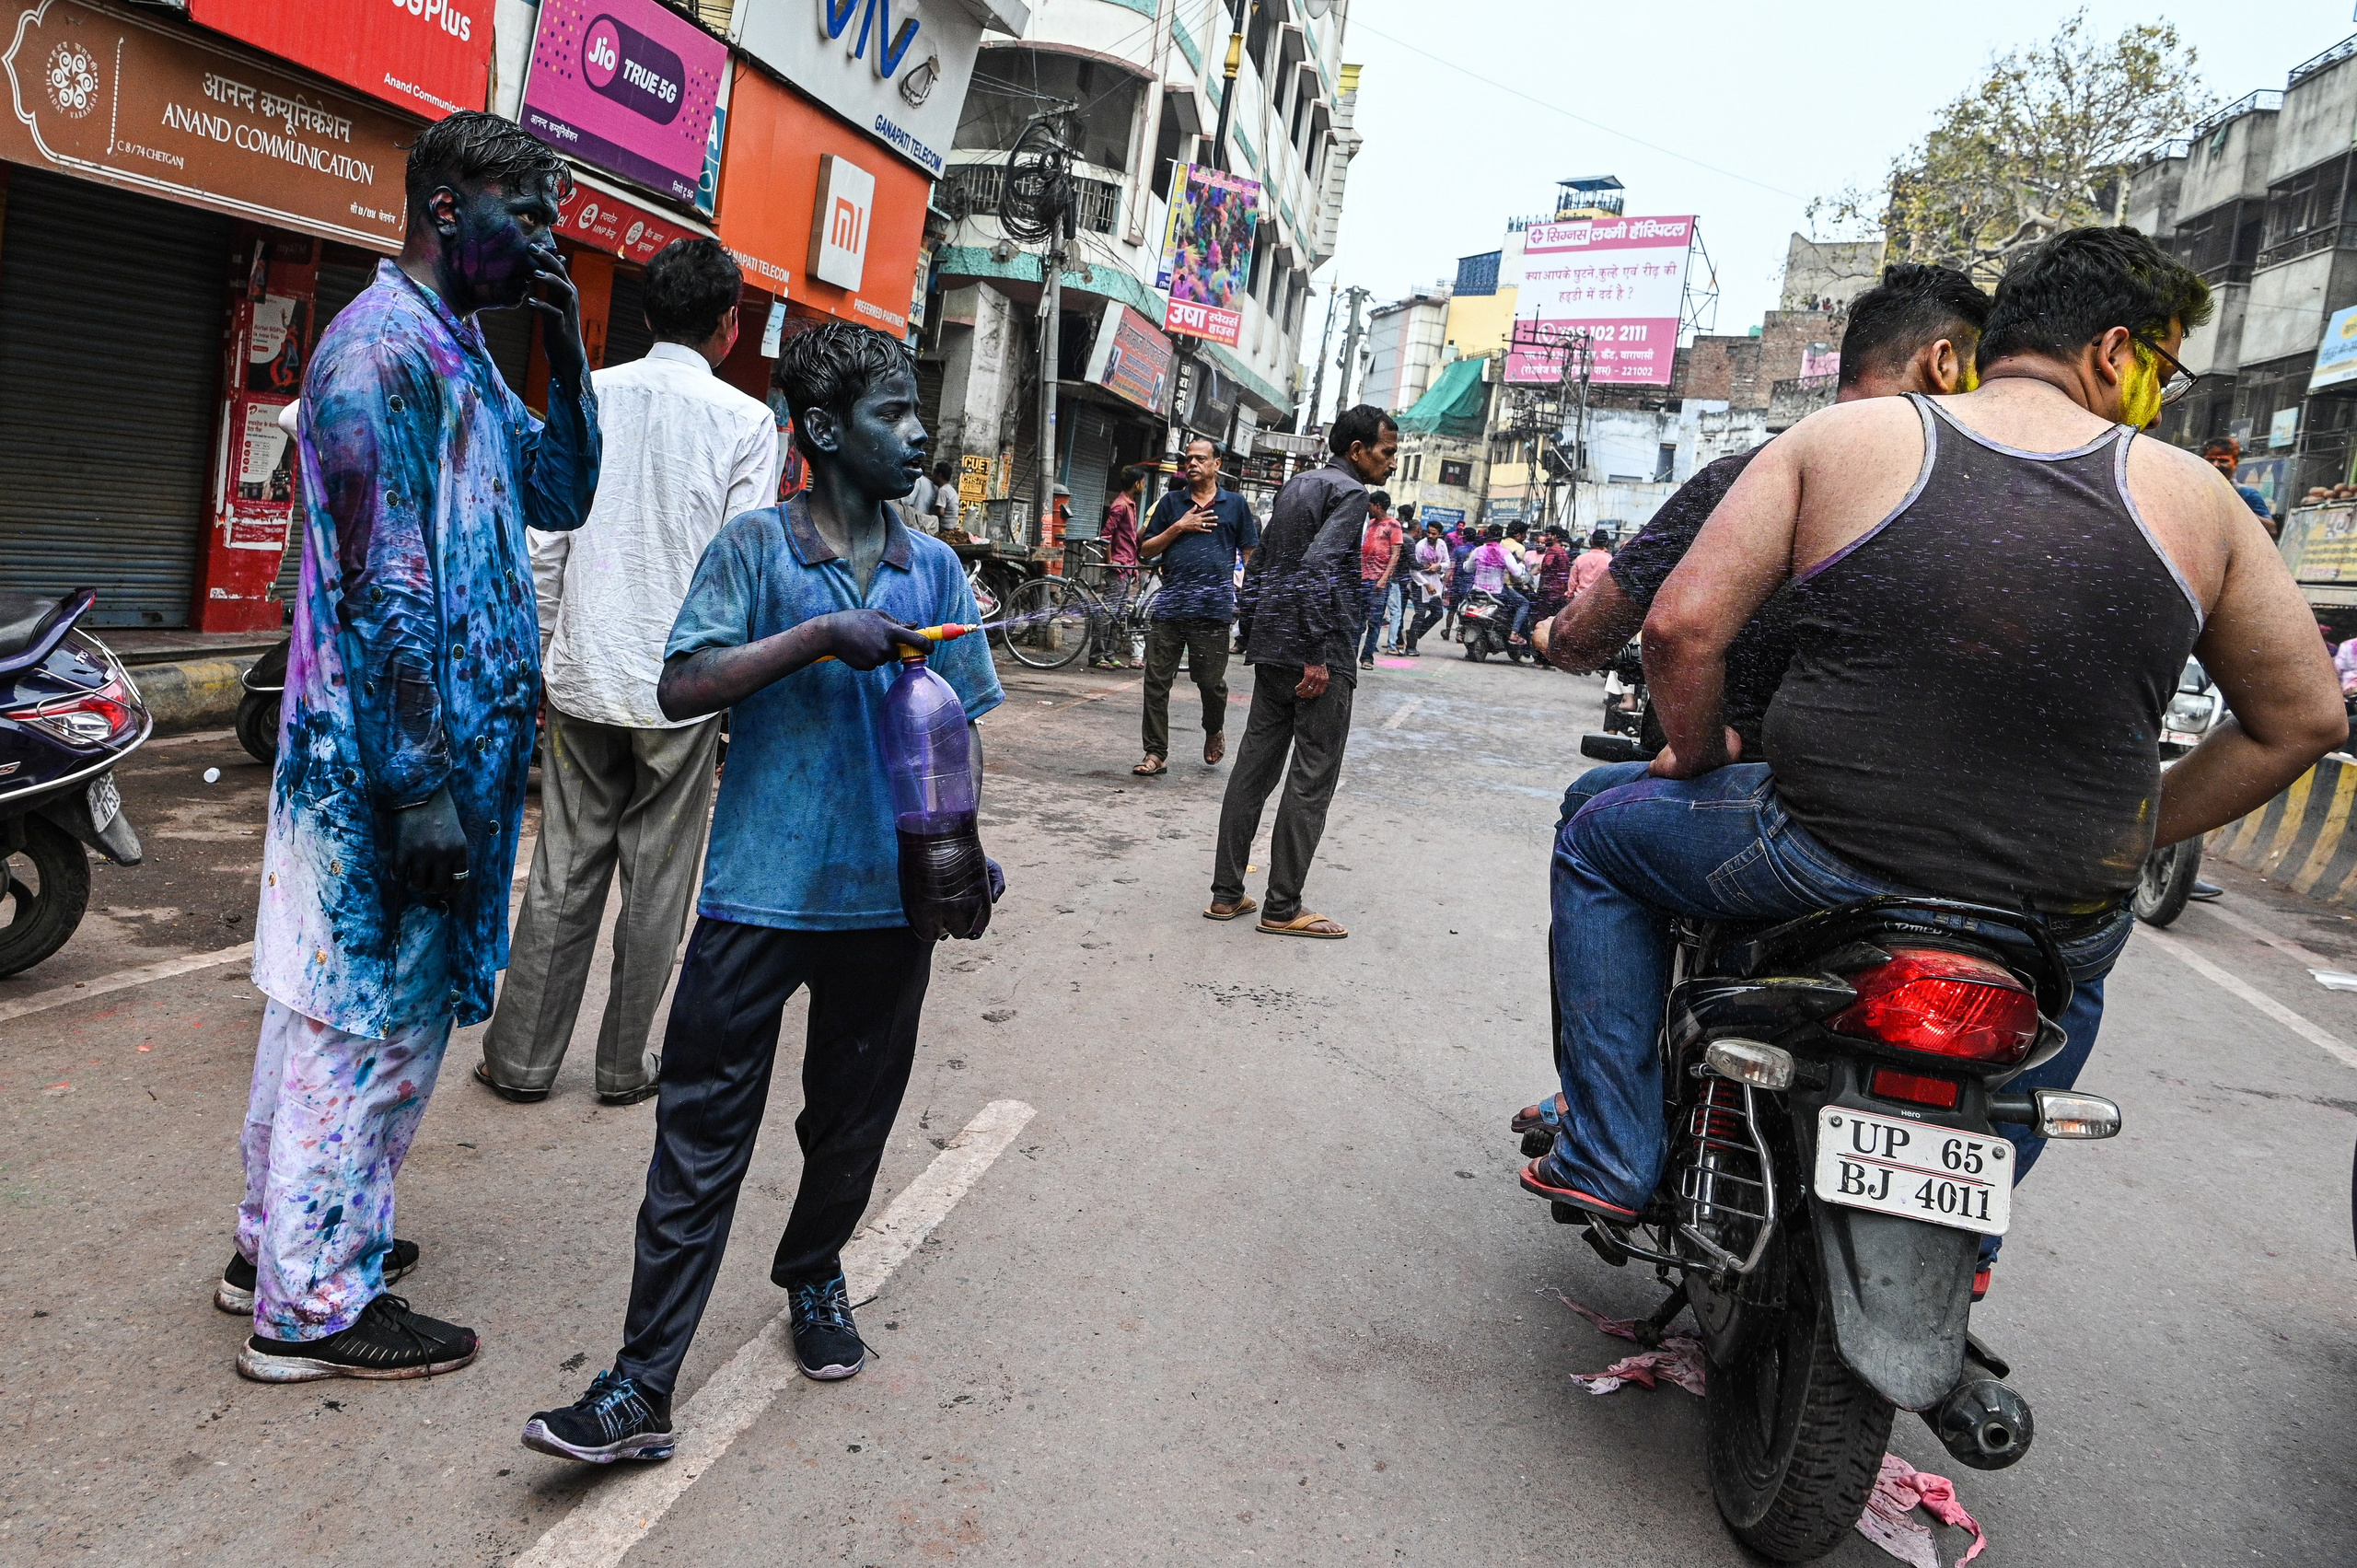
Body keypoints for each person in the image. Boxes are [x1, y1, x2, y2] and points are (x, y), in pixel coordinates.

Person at [1527, 228, 2348, 1300]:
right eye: (2165, 367)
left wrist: (1691, 754)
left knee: (1596, 834)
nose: (2160, 396)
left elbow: (1679, 629)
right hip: (2057, 904)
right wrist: (2129, 830)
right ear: (2114, 351)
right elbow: (2302, 721)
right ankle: (1971, 1244)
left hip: (1814, 854)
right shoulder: (2202, 503)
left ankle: (1608, 1148)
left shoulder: (1842, 442)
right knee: (2072, 982)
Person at [522, 319, 1003, 1465]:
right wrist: (819, 634)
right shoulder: (753, 549)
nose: (918, 434)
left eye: (917, 412)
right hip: (756, 895)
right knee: (699, 1135)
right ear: (823, 429)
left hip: (888, 904)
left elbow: (961, 725)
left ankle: (814, 1270)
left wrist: (964, 848)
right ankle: (641, 1384)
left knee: (850, 1118)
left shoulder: (935, 568)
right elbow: (681, 684)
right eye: (894, 414)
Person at [226, 112, 599, 1381]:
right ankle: (314, 1307)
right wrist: (422, 786)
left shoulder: (461, 348)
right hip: (384, 770)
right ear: (449, 209)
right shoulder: (381, 352)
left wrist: (567, 351)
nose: (546, 241)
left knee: (325, 1011)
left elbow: (558, 491)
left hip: (420, 766)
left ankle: (276, 1246)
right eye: (529, 214)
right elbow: (386, 592)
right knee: (369, 1027)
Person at [480, 239, 780, 1109]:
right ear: (729, 326)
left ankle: (521, 1060)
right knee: (658, 882)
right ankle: (623, 1066)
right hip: (682, 686)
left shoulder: (592, 393)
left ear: (647, 314)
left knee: (563, 870)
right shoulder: (746, 421)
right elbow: (742, 569)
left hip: (583, 669)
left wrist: (542, 655)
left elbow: (545, 542)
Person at [1539, 263, 1995, 755]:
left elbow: (1603, 639)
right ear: (1943, 364)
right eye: (1986, 378)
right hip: (1892, 785)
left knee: (1590, 802)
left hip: (1731, 783)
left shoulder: (1735, 481)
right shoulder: (1983, 513)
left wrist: (1701, 753)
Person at [1206, 405, 1399, 937]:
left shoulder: (1298, 485)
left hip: (1273, 647)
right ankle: (1282, 907)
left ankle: (1226, 894)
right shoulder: (1351, 494)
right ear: (1357, 450)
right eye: (1386, 452)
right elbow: (1317, 567)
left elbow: (1261, 563)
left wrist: (1255, 630)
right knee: (1311, 778)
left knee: (1252, 772)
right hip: (1317, 655)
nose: (1391, 463)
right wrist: (1316, 651)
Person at [1134, 437, 1259, 775]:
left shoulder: (1234, 505)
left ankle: (1213, 728)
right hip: (1170, 608)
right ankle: (1155, 752)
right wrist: (1179, 526)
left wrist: (1252, 594)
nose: (1192, 463)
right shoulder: (1171, 503)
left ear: (1217, 464)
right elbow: (1145, 550)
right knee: (1156, 681)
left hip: (1213, 609)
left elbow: (1250, 553)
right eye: (1188, 458)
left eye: (1201, 458)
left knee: (1210, 683)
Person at [1090, 465, 1147, 669]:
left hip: (1127, 565)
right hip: (1119, 567)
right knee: (1107, 612)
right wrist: (1111, 560)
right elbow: (1106, 536)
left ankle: (1109, 653)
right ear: (1137, 483)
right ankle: (1096, 655)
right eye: (1143, 481)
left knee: (1118, 613)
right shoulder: (1120, 505)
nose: (1144, 485)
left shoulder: (1130, 504)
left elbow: (1129, 540)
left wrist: (1134, 566)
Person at [1358, 489, 1403, 668]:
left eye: (1370, 505)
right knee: (1358, 621)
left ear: (1377, 506)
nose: (1368, 508)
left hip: (1378, 580)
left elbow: (1395, 554)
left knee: (1374, 622)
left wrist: (1384, 579)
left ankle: (1367, 657)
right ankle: (1351, 655)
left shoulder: (1393, 525)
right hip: (1363, 578)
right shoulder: (1371, 523)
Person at [1468, 526, 1531, 644]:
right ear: (1500, 537)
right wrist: (1522, 566)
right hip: (1497, 592)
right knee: (1524, 603)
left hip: (1477, 591)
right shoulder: (1504, 552)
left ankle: (1461, 630)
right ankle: (1514, 633)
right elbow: (1517, 573)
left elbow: (1468, 568)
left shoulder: (1478, 550)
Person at [2202, 437, 2277, 534]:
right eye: (2211, 460)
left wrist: (2238, 509)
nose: (2216, 464)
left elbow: (2271, 529)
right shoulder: (2193, 490)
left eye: (2223, 461)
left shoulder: (2246, 493)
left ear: (2235, 464)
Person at [1406, 519, 1450, 654]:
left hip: (1435, 581)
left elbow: (1447, 563)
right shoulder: (1420, 546)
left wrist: (1439, 566)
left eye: (1434, 533)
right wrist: (1426, 584)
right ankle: (1411, 646)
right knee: (1420, 614)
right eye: (1429, 533)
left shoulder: (1442, 544)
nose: (1430, 536)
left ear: (1440, 534)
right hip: (1420, 582)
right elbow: (1413, 570)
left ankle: (1413, 634)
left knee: (1438, 613)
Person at [1566, 529, 1612, 600]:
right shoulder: (1609, 561)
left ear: (1591, 541)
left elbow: (1572, 582)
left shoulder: (1580, 558)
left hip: (1580, 599)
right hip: (1599, 601)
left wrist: (1570, 595)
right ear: (1606, 543)